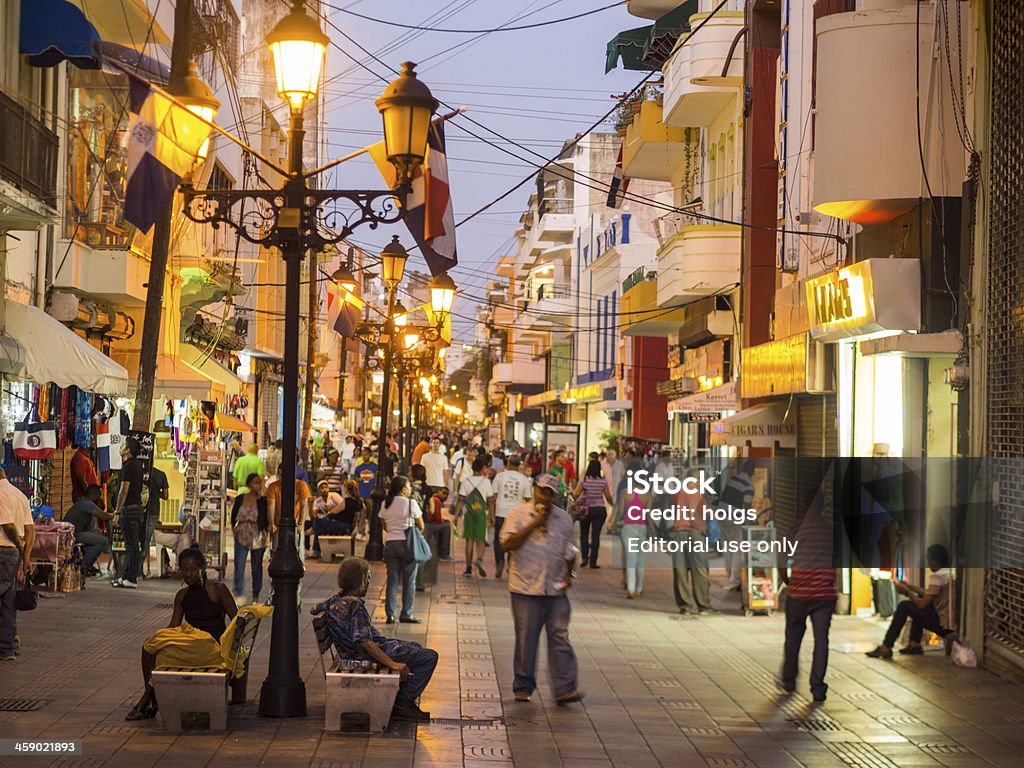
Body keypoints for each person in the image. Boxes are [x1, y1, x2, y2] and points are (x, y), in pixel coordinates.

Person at [312, 557, 438, 721]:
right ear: (361, 581)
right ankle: (402, 702)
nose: (369, 583)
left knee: (414, 647)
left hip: (350, 654)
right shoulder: (355, 606)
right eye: (368, 578)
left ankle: (398, 697)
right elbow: (365, 642)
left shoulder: (335, 600)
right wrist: (393, 664)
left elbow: (314, 609)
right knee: (429, 657)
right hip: (362, 657)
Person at [125, 548, 239, 720]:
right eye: (184, 570)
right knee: (151, 648)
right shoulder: (182, 595)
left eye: (193, 570)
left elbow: (235, 620)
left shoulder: (218, 589)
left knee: (162, 657)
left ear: (203, 568)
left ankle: (148, 700)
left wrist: (232, 646)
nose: (188, 574)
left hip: (212, 646)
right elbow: (174, 626)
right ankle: (151, 698)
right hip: (191, 644)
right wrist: (161, 639)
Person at [499, 474, 582, 705]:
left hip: (555, 589)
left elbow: (569, 550)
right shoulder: (518, 514)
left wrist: (569, 573)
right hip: (525, 588)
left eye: (549, 494)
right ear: (534, 490)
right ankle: (523, 686)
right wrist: (534, 524)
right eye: (541, 491)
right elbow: (507, 544)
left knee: (560, 636)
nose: (544, 497)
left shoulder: (563, 519)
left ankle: (565, 688)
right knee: (527, 639)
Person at [780, 489, 837, 702]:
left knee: (793, 637)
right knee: (821, 640)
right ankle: (818, 687)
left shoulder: (795, 530)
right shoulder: (830, 531)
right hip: (824, 595)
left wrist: (788, 582)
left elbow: (782, 560)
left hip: (798, 594)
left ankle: (789, 679)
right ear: (823, 507)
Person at [866, 544, 958, 660]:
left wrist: (906, 592)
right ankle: (914, 644)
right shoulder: (949, 573)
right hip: (949, 622)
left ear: (934, 561)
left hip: (942, 624)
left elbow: (922, 604)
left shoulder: (937, 577)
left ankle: (886, 646)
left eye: (928, 560)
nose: (927, 563)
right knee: (917, 602)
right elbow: (928, 593)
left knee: (904, 606)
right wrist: (909, 586)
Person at [379, 476, 424, 624]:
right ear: (403, 490)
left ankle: (390, 614)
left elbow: (384, 526)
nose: (410, 489)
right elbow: (421, 526)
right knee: (409, 581)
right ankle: (406, 613)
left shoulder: (385, 503)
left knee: (392, 580)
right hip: (407, 545)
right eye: (409, 486)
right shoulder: (411, 504)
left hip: (391, 544)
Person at [0, 466, 34, 661]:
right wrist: (26, 556)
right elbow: (30, 529)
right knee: (8, 603)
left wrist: (21, 549)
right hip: (12, 555)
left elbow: (8, 525)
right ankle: (6, 649)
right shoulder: (19, 495)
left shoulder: (1, 494)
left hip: (4, 550)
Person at [672, 469, 713, 615]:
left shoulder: (678, 491)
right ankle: (703, 606)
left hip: (679, 534)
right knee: (700, 572)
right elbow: (708, 514)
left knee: (680, 571)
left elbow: (672, 508)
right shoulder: (699, 493)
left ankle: (685, 606)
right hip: (696, 535)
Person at [113, 437, 147, 589]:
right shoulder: (138, 465)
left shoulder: (128, 466)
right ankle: (127, 576)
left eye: (123, 445)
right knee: (132, 544)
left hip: (129, 508)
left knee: (131, 545)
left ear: (127, 450)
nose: (120, 447)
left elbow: (123, 490)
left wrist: (117, 510)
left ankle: (131, 578)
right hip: (137, 508)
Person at [491, 455, 533, 578]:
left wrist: (491, 513)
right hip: (516, 515)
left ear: (508, 463)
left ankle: (500, 561)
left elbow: (493, 496)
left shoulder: (499, 477)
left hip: (501, 513)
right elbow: (528, 499)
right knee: (514, 539)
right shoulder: (524, 479)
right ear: (519, 465)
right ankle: (510, 563)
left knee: (498, 540)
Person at [231, 473, 269, 602]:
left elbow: (265, 518)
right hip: (242, 532)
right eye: (255, 482)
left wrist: (266, 534)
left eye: (259, 482)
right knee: (239, 565)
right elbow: (234, 514)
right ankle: (239, 592)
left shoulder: (263, 500)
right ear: (249, 484)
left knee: (256, 567)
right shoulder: (241, 498)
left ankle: (256, 595)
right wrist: (234, 528)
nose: (257, 485)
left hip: (257, 535)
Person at [609, 486, 651, 599]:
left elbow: (621, 510)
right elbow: (649, 514)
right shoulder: (647, 494)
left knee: (630, 559)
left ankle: (630, 589)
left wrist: (615, 522)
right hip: (642, 528)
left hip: (629, 527)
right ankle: (639, 588)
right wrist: (653, 530)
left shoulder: (625, 492)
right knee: (640, 559)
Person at [454, 458, 494, 577]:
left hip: (469, 514)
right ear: (483, 469)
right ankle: (480, 559)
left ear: (472, 469)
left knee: (469, 540)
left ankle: (468, 568)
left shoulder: (466, 481)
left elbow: (460, 500)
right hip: (482, 514)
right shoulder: (486, 482)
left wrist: (456, 516)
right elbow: (490, 500)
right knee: (481, 539)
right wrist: (491, 516)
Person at [719, 459, 755, 590]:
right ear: (752, 472)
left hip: (721, 513)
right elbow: (746, 506)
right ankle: (734, 580)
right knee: (736, 549)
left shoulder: (732, 478)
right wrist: (748, 521)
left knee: (727, 547)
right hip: (733, 516)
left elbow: (724, 494)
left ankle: (729, 576)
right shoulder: (749, 486)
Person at [571, 460, 613, 569]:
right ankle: (593, 561)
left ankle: (584, 558)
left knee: (584, 534)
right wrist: (613, 505)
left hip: (586, 510)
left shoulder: (584, 480)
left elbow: (576, 493)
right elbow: (608, 496)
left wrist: (573, 492)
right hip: (599, 510)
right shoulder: (602, 481)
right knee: (596, 536)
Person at [64, 484, 112, 576]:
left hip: (76, 533)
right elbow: (103, 516)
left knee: (95, 540)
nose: (100, 498)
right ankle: (82, 567)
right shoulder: (87, 503)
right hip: (73, 534)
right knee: (103, 541)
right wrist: (114, 515)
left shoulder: (83, 502)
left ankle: (86, 565)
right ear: (94, 495)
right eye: (99, 495)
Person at [310, 479, 359, 558]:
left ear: (346, 489)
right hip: (347, 526)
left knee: (319, 521)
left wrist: (328, 513)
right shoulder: (357, 501)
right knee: (321, 528)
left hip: (344, 527)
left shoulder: (346, 501)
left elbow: (332, 513)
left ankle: (316, 547)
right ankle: (320, 551)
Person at [142, 464, 169, 578]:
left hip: (140, 510)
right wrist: (157, 493)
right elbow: (166, 495)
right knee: (146, 540)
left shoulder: (140, 473)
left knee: (139, 540)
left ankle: (136, 568)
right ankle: (137, 568)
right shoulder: (160, 474)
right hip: (153, 511)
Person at [424, 488, 453, 562]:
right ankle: (444, 554)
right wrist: (442, 521)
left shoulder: (433, 498)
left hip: (427, 523)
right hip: (428, 525)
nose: (445, 496)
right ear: (438, 492)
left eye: (447, 494)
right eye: (444, 493)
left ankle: (440, 552)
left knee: (445, 524)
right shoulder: (437, 500)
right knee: (446, 526)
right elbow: (437, 517)